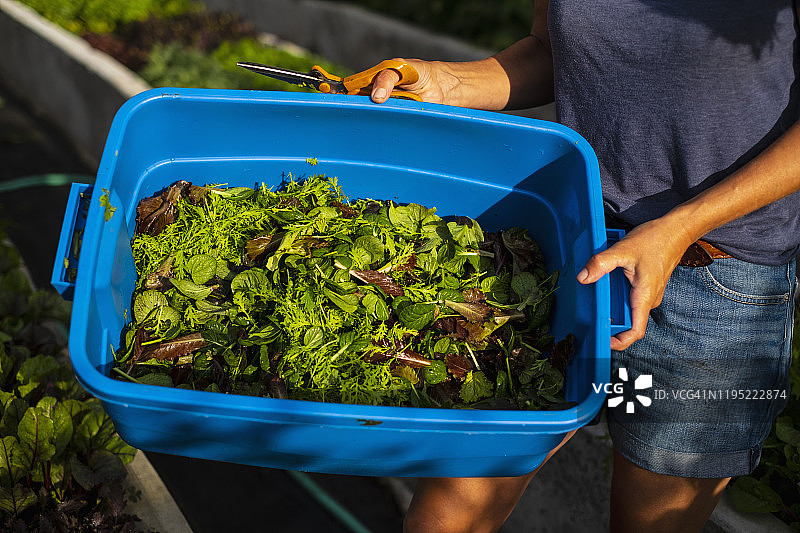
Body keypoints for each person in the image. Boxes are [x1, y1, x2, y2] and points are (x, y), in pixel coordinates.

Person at [368, 1, 800, 532]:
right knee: (447, 514)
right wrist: (443, 82)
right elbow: (553, 53)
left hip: (711, 284)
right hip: (573, 252)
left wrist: (681, 225)